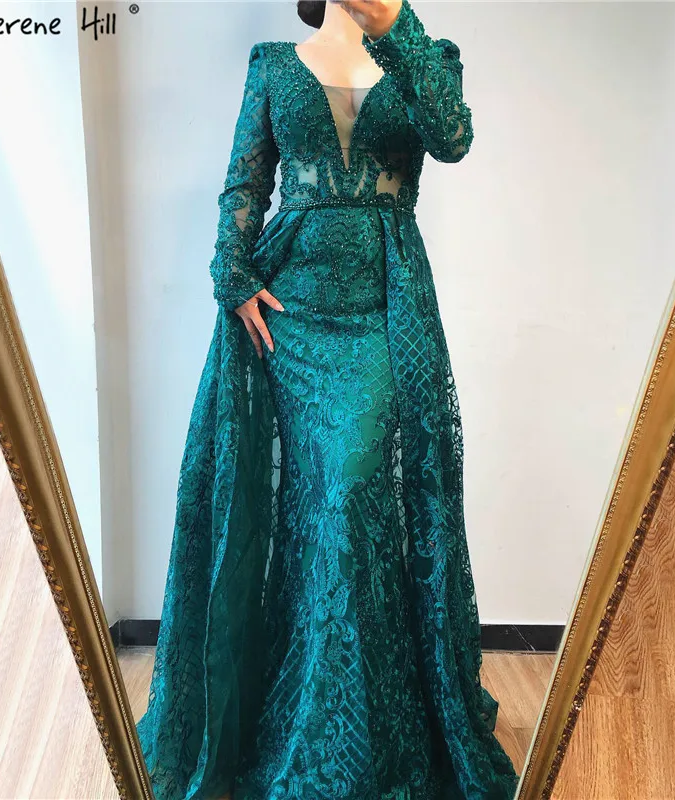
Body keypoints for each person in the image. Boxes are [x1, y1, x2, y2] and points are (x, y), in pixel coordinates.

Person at [135, 1, 520, 797]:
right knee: (308, 502)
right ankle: (289, 700)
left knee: (348, 490)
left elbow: (452, 137)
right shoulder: (274, 65)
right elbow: (245, 183)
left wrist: (396, 24)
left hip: (384, 306)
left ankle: (351, 727)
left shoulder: (429, 55)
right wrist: (233, 273)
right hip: (289, 310)